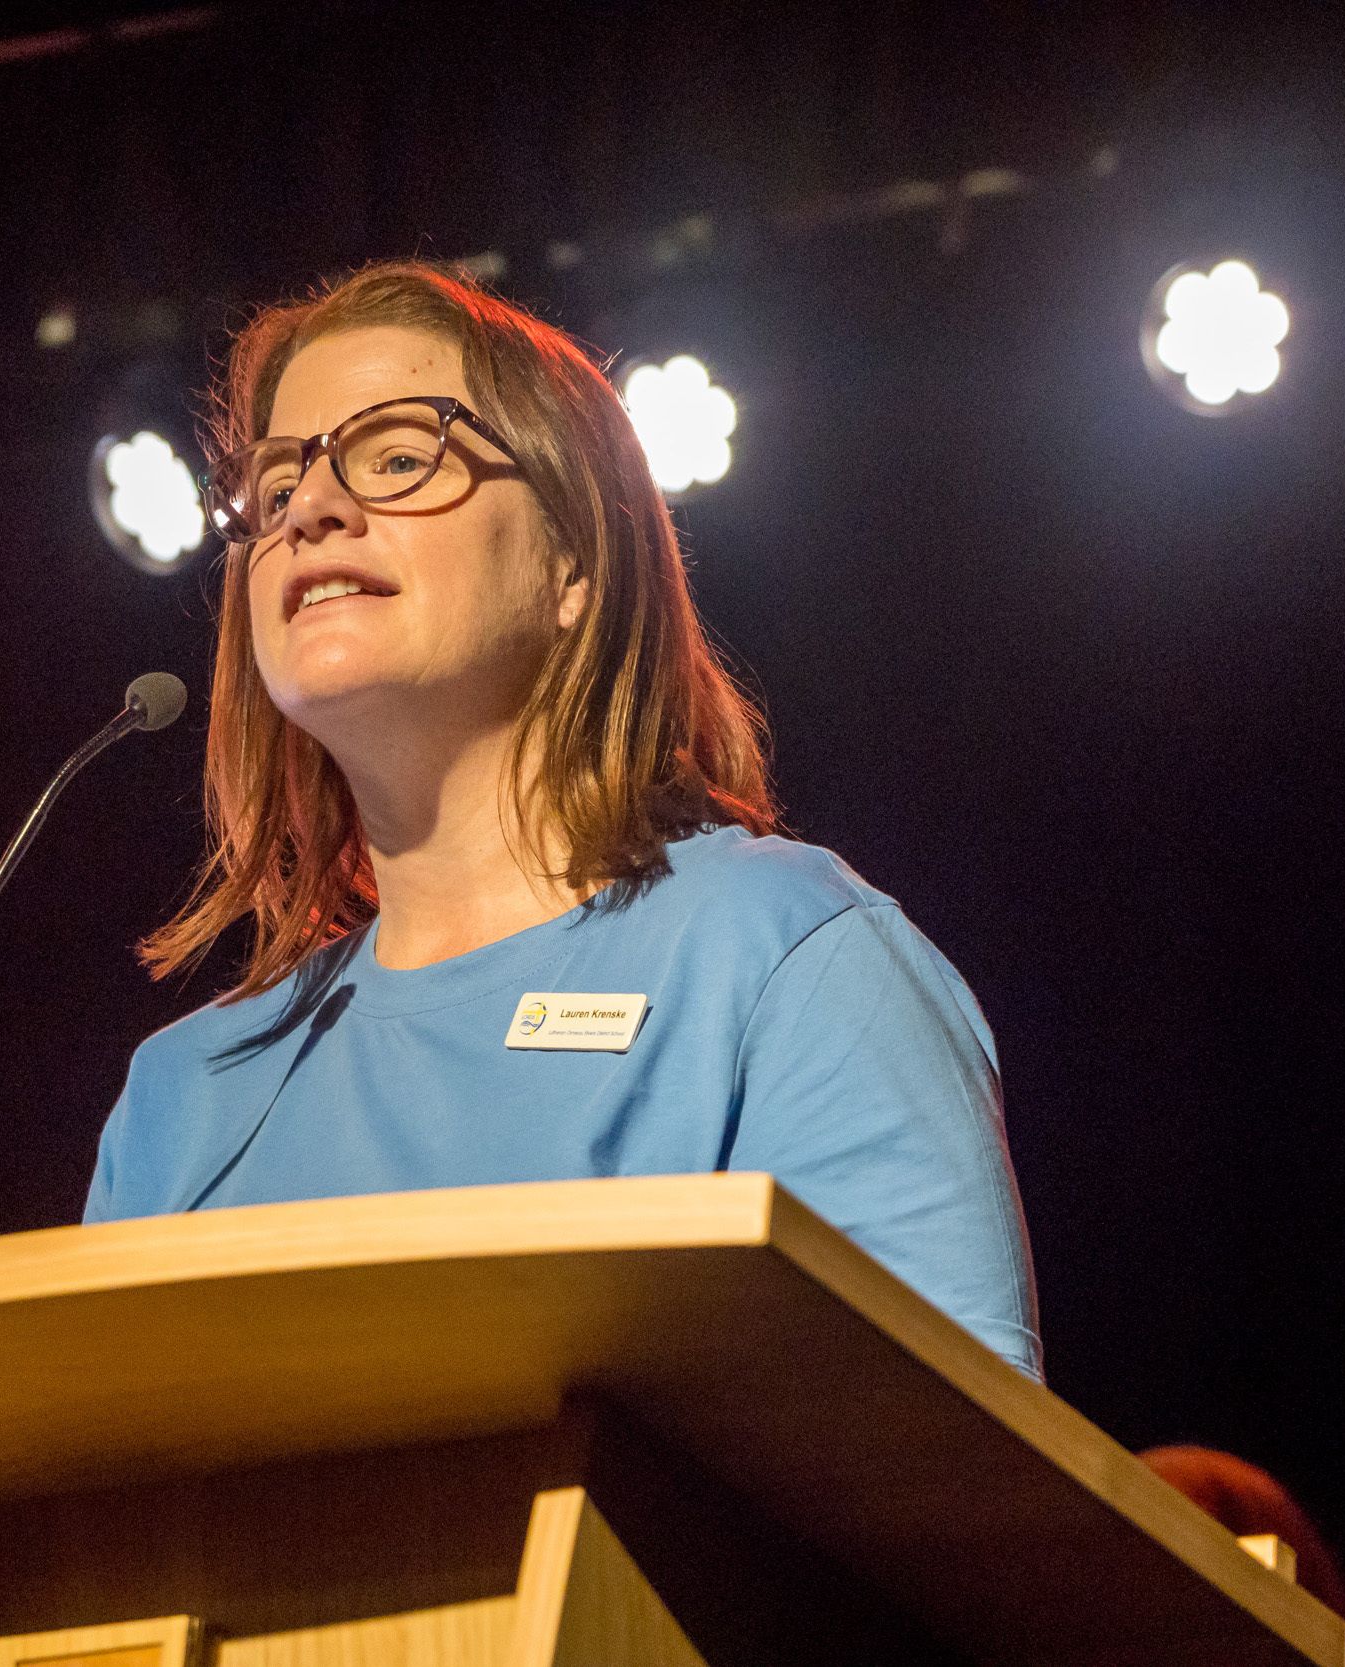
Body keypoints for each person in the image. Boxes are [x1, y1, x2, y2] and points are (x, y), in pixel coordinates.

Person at [83, 261, 1040, 1380]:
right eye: (277, 480)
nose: (312, 509)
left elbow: (934, 1460)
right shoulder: (183, 1096)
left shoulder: (777, 959)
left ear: (573, 559)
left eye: (397, 456)